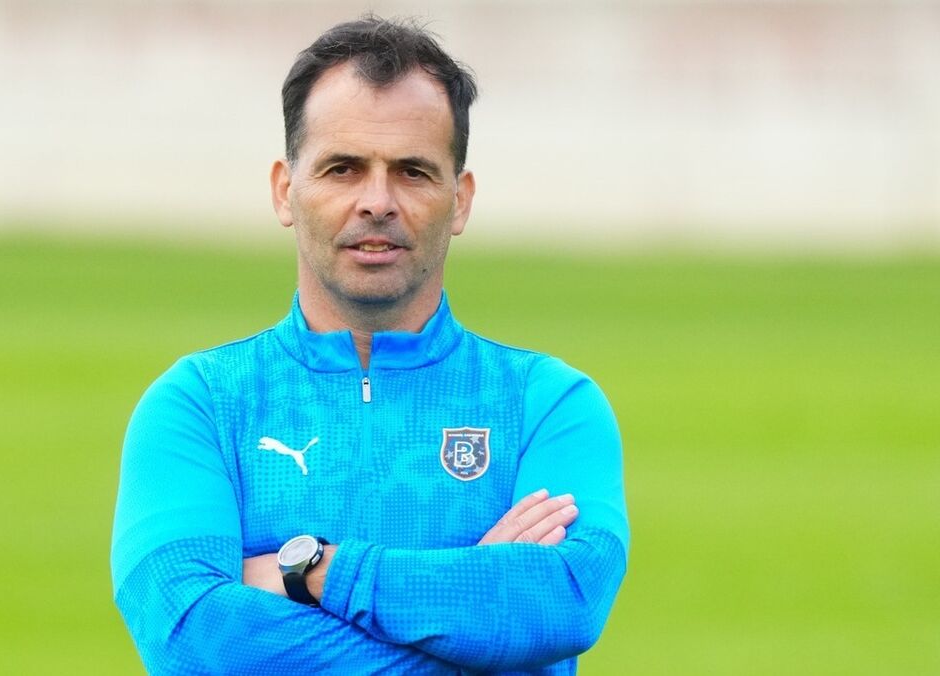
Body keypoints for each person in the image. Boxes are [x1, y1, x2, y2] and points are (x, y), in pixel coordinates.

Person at [111, 15, 628, 675]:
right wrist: (473, 622)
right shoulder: (200, 406)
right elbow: (195, 637)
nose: (377, 201)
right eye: (343, 169)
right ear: (286, 191)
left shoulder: (547, 406)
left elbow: (562, 602)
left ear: (460, 200)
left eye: (412, 171)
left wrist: (313, 570)